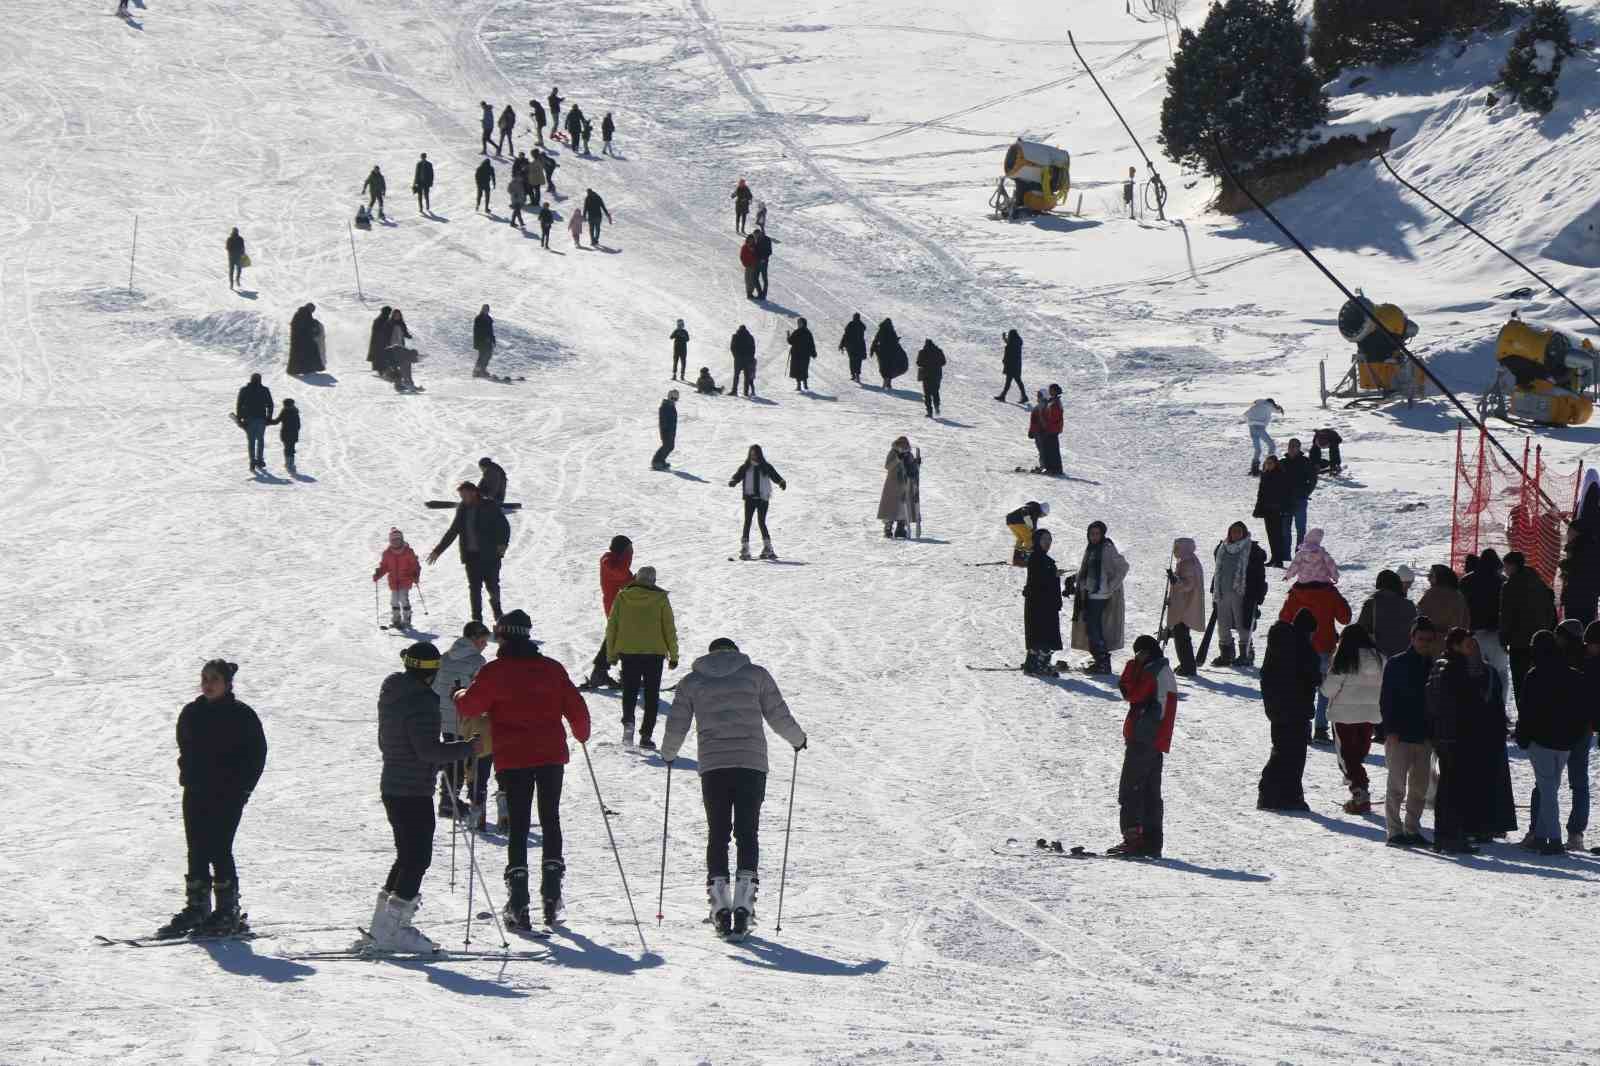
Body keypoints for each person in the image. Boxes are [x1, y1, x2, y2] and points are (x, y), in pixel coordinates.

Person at [660, 636, 806, 939]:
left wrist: (669, 753)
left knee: (718, 833)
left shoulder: (692, 682)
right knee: (747, 833)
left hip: (714, 767)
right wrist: (797, 739)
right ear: (736, 653)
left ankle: (720, 905)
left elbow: (677, 722)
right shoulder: (756, 675)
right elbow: (778, 714)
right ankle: (744, 905)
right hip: (751, 765)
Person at [456, 611, 589, 928]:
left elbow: (470, 707)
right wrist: (581, 733)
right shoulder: (551, 669)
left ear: (502, 636)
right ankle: (552, 895)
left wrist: (459, 693)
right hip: (550, 756)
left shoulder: (495, 671)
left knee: (517, 825)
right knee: (550, 818)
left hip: (512, 758)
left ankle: (518, 902)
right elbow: (576, 709)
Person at [371, 643, 477, 952]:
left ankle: (383, 927)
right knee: (417, 857)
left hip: (393, 783)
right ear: (432, 673)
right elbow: (428, 751)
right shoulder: (423, 701)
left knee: (407, 855)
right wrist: (466, 747)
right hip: (413, 788)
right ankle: (393, 930)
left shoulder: (393, 691)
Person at [155, 660, 267, 939]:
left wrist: (242, 789)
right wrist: (189, 775)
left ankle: (227, 911)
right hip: (195, 791)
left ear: (227, 683)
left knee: (219, 848)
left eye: (214, 679)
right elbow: (185, 748)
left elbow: (256, 755)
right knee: (196, 849)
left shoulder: (242, 715)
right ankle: (198, 907)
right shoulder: (192, 713)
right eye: (204, 678)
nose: (207, 684)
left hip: (228, 795)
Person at [1514, 631, 1585, 854]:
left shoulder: (1534, 675)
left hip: (1541, 742)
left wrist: (1523, 738)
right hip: (1564, 743)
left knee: (1547, 790)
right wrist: (1574, 738)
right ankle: (1543, 836)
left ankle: (1552, 839)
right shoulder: (1573, 675)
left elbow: (1525, 711)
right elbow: (1579, 713)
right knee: (1550, 788)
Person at [1109, 634, 1177, 857]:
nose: (1136, 658)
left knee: (1131, 788)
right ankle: (1151, 841)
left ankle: (1134, 839)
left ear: (1144, 652)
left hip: (1144, 737)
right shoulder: (1163, 669)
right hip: (1156, 739)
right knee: (1149, 791)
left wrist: (1131, 667)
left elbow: (1131, 693)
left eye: (1137, 654)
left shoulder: (1153, 671)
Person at [1280, 531, 1350, 744]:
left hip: (1300, 649)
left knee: (1302, 687)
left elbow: (1284, 618)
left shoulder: (1296, 593)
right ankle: (1320, 728)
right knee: (1323, 690)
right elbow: (1345, 618)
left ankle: (1301, 726)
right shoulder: (1329, 593)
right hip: (1325, 645)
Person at [1425, 629, 1488, 854]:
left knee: (1446, 786)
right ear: (1456, 646)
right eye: (1467, 643)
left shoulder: (1439, 665)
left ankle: (1443, 835)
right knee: (1456, 787)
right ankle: (1454, 836)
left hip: (1442, 733)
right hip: (1457, 734)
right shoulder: (1457, 667)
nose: (1471, 647)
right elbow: (1466, 702)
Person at [1380, 618, 1440, 845]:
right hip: (1399, 735)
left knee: (1419, 788)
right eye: (1420, 639)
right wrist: (1390, 729)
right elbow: (1386, 699)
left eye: (1428, 640)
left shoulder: (1433, 666)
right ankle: (1394, 831)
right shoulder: (1396, 664)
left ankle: (1412, 829)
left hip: (1424, 736)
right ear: (1412, 638)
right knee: (1396, 785)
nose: (1424, 643)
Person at [606, 567, 679, 750]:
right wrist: (673, 655)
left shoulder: (623, 597)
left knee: (629, 691)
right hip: (654, 654)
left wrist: (611, 654)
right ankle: (646, 735)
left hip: (629, 653)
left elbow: (612, 626)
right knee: (651, 695)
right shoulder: (660, 599)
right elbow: (669, 628)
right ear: (653, 580)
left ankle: (628, 723)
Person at [1258, 610, 1318, 811]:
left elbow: (1266, 676)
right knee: (1295, 755)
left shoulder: (1276, 646)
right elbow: (1314, 678)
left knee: (1280, 750)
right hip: (1297, 711)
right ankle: (1288, 796)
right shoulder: (1305, 650)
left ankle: (1270, 794)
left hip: (1276, 709)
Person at [1321, 623, 1384, 814]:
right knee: (1358, 753)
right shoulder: (1380, 659)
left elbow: (1328, 690)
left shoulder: (1343, 659)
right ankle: (1359, 787)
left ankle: (1359, 791)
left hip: (1344, 716)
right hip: (1369, 715)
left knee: (1347, 757)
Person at [427, 481, 510, 624]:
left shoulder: (489, 506)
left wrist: (502, 545)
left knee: (492, 586)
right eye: (461, 495)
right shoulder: (463, 509)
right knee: (474, 589)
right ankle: (476, 620)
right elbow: (453, 531)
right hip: (471, 557)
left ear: (474, 492)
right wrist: (437, 550)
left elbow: (504, 527)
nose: (462, 497)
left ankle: (498, 614)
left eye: (464, 494)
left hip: (490, 556)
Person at [434, 620, 492, 822]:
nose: (485, 645)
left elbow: (436, 683)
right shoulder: (478, 661)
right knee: (464, 757)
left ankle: (447, 798)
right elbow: (479, 690)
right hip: (464, 715)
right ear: (474, 639)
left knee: (451, 755)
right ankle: (452, 800)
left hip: (445, 715)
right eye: (483, 641)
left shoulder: (446, 656)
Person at [1500, 550, 1556, 711]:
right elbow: (1550, 609)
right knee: (1539, 679)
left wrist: (1504, 639)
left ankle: (1524, 718)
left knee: (1521, 681)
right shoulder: (1539, 582)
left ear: (1512, 566)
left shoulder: (1511, 586)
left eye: (1506, 566)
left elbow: (1506, 615)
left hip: (1519, 642)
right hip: (1541, 640)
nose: (1505, 570)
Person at [1071, 521, 1129, 674]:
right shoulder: (1091, 549)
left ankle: (1102, 660)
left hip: (1100, 594)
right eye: (1091, 534)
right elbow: (1087, 570)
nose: (1094, 537)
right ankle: (1100, 659)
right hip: (1090, 592)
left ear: (1102, 534)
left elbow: (1123, 567)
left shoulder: (1107, 548)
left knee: (1093, 626)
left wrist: (1110, 586)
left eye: (1097, 534)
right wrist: (1076, 579)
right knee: (1092, 626)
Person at [1211, 521, 1267, 667]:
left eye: (1238, 531)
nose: (1235, 534)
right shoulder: (1222, 548)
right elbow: (1218, 571)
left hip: (1242, 594)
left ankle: (1246, 653)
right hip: (1222, 592)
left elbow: (1259, 575)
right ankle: (1226, 654)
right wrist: (1214, 590)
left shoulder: (1252, 550)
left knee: (1243, 623)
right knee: (1222, 624)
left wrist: (1259, 594)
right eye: (1233, 531)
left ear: (1244, 533)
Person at [1461, 547, 1510, 704]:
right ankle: (1500, 706)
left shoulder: (1466, 581)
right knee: (1500, 671)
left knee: (1474, 670)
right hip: (1497, 634)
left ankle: (1476, 705)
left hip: (1475, 634)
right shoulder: (1503, 582)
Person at [587, 535, 634, 689]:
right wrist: (627, 555)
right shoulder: (608, 560)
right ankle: (606, 673)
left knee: (621, 637)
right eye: (629, 550)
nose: (631, 553)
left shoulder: (617, 562)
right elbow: (620, 574)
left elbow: (625, 580)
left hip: (623, 606)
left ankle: (603, 673)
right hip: (616, 606)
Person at [729, 445, 786, 561]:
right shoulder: (746, 467)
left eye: (755, 453)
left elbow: (774, 475)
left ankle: (768, 548)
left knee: (761, 522)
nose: (753, 455)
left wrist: (781, 482)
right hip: (750, 498)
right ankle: (745, 548)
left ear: (759, 454)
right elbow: (738, 475)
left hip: (762, 498)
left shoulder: (766, 466)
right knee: (747, 522)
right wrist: (734, 480)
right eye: (752, 453)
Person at [1022, 528, 1064, 676]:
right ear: (1037, 541)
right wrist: (1054, 575)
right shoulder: (1037, 558)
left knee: (1040, 635)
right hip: (1040, 605)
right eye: (1044, 539)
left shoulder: (1041, 558)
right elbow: (1038, 581)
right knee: (1043, 635)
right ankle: (1040, 665)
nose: (1048, 543)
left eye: (1049, 540)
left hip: (1042, 604)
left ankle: (1033, 664)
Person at [1559, 475, 1600, 624]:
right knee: (1588, 619)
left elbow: (1568, 553)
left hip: (1575, 584)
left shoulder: (1577, 525)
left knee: (1573, 622)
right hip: (1591, 585)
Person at [1357, 569, 1418, 659]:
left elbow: (1360, 631)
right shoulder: (1409, 605)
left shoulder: (1371, 605)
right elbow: (1415, 630)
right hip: (1405, 658)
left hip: (1379, 659)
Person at [1166, 539, 1204, 676]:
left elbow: (1188, 585)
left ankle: (1188, 666)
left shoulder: (1188, 563)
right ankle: (1186, 664)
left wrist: (1175, 580)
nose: (1175, 551)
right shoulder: (1187, 560)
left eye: (1177, 547)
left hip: (1184, 607)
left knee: (1181, 636)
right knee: (1181, 635)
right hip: (1183, 605)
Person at [373, 527, 422, 630]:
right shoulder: (387, 553)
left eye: (397, 540)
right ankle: (396, 620)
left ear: (401, 539)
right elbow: (384, 566)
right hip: (393, 582)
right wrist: (378, 574)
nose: (395, 542)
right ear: (390, 541)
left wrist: (415, 574)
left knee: (403, 599)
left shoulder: (408, 552)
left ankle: (406, 620)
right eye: (393, 540)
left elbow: (415, 565)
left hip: (406, 579)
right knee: (394, 600)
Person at [877, 436, 920, 539]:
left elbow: (912, 469)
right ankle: (888, 527)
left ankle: (900, 528)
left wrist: (916, 463)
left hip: (905, 484)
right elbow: (888, 466)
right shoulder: (893, 453)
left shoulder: (908, 454)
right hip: (893, 484)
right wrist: (897, 459)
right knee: (891, 506)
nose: (904, 447)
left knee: (903, 506)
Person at [1253, 455, 1291, 566]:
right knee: (1270, 534)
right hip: (1267, 509)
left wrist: (1283, 507)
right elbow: (1261, 494)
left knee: (1278, 535)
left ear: (1275, 464)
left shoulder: (1281, 475)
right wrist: (1258, 508)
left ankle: (1279, 559)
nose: (1268, 465)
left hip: (1277, 509)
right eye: (1267, 463)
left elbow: (1285, 493)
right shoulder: (1264, 475)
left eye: (1271, 463)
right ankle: (1274, 558)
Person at [1280, 438, 1317, 551]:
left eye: (1295, 446)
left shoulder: (1305, 462)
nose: (1292, 448)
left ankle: (1300, 553)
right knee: (1285, 529)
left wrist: (1305, 492)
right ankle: (1286, 555)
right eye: (1290, 446)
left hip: (1300, 500)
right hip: (1285, 501)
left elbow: (1313, 479)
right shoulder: (1282, 462)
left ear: (1299, 448)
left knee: (1300, 528)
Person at [234, 373, 273, 472]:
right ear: (260, 380)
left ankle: (253, 461)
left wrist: (239, 418)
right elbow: (270, 405)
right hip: (261, 418)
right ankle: (260, 460)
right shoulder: (264, 390)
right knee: (260, 440)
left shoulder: (244, 390)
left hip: (248, 419)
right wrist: (269, 417)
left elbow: (239, 404)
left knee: (251, 441)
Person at [1417, 564, 1470, 635]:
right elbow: (1466, 621)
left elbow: (1420, 618)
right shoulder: (1458, 595)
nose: (1428, 578)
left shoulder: (1432, 594)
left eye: (1431, 575)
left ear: (1441, 577)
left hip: (1434, 640)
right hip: (1457, 640)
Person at [1242, 397, 1283, 476]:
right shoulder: (1268, 406)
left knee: (1258, 450)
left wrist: (1251, 421)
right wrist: (1280, 408)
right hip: (1260, 427)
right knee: (1272, 446)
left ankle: (1254, 470)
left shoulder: (1255, 406)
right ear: (1271, 403)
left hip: (1251, 428)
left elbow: (1245, 415)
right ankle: (1268, 467)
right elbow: (1277, 410)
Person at [1005, 501, 1050, 566]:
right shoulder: (1035, 508)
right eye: (1043, 515)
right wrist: (1029, 523)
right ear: (1042, 511)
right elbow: (1025, 511)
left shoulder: (1035, 510)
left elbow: (1033, 527)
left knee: (1020, 538)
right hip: (1018, 521)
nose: (1042, 516)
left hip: (1010, 521)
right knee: (1028, 539)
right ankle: (1025, 559)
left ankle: (1016, 558)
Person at [287, 303, 325, 375]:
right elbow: (306, 324)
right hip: (302, 338)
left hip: (299, 338)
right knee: (309, 351)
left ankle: (303, 369)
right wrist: (314, 324)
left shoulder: (301, 313)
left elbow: (306, 323)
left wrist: (313, 323)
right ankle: (310, 368)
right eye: (312, 310)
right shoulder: (304, 313)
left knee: (300, 354)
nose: (312, 312)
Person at [870, 318, 906, 390]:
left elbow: (876, 340)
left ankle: (886, 382)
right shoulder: (892, 331)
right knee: (890, 367)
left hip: (883, 352)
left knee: (884, 367)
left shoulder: (882, 330)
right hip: (891, 353)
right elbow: (895, 341)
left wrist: (872, 349)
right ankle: (888, 383)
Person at [1036, 385, 1065, 475]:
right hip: (1052, 428)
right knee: (1050, 448)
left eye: (1051, 390)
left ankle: (1054, 468)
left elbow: (1053, 417)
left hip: (1052, 429)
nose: (1049, 391)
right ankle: (1052, 468)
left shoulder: (1055, 402)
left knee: (1051, 449)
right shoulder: (1053, 401)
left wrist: (1046, 425)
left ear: (1055, 391)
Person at [916, 339, 946, 417]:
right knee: (935, 391)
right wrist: (936, 365)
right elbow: (944, 362)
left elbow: (918, 363)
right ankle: (937, 407)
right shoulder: (939, 351)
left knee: (927, 394)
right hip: (937, 375)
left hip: (926, 375)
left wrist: (926, 364)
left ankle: (929, 412)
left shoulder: (922, 352)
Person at [269, 398, 300, 471]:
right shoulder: (295, 412)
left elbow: (277, 421)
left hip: (285, 433)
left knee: (287, 448)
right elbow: (298, 425)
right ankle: (291, 463)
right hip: (293, 433)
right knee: (291, 448)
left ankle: (288, 463)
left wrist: (268, 421)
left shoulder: (284, 411)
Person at [787, 319, 816, 392]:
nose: (798, 324)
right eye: (798, 323)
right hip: (801, 355)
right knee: (802, 369)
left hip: (800, 354)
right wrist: (813, 353)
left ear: (803, 324)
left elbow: (790, 341)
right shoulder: (806, 332)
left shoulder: (800, 332)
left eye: (800, 323)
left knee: (800, 369)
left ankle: (802, 385)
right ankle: (802, 385)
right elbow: (811, 344)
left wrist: (788, 336)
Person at [652, 390, 679, 471]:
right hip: (666, 429)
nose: (674, 400)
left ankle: (661, 460)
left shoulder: (671, 406)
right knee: (667, 445)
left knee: (670, 446)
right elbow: (663, 418)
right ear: (669, 397)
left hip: (671, 429)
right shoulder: (665, 406)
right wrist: (665, 428)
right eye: (672, 398)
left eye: (676, 399)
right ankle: (656, 462)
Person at [996, 329, 1025, 402]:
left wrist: (1004, 361)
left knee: (1009, 381)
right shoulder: (1017, 342)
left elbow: (1008, 354)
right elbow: (1009, 343)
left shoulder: (1012, 344)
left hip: (1011, 366)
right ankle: (1024, 396)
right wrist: (1004, 338)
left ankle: (1003, 396)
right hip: (1016, 366)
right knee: (1017, 381)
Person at [729, 325, 756, 398]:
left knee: (736, 376)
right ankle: (746, 392)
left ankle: (734, 391)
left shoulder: (735, 336)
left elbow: (732, 347)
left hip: (738, 359)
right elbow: (753, 348)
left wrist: (735, 356)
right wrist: (750, 357)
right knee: (747, 376)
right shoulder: (750, 337)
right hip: (747, 359)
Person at [839, 313, 867, 383]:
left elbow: (845, 335)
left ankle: (853, 374)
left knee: (852, 360)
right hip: (860, 346)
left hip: (851, 346)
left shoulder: (850, 325)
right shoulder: (861, 325)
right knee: (858, 360)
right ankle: (857, 374)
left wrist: (841, 344)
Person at [1025, 389, 1048, 472]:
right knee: (1041, 449)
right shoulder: (1041, 405)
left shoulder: (1043, 406)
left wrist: (1032, 431)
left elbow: (1038, 421)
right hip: (1038, 432)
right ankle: (1044, 465)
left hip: (1040, 432)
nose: (1037, 396)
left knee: (1042, 450)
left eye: (1039, 395)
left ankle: (1044, 466)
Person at [472, 305, 496, 377]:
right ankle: (477, 371)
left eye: (487, 309)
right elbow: (477, 330)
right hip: (481, 341)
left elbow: (491, 330)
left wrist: (493, 339)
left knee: (488, 355)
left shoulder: (489, 318)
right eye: (484, 309)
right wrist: (484, 338)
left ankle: (483, 369)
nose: (486, 310)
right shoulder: (479, 318)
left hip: (488, 341)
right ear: (482, 309)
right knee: (482, 355)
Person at [367, 306, 393, 371]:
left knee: (381, 356)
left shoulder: (381, 320)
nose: (388, 314)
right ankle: (381, 370)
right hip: (380, 342)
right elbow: (378, 331)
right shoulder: (380, 320)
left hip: (379, 342)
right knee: (380, 356)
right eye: (388, 312)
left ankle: (381, 369)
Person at [752, 227, 773, 300]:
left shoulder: (767, 239)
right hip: (757, 262)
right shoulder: (755, 240)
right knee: (754, 278)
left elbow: (769, 251)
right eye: (754, 236)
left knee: (764, 278)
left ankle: (764, 295)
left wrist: (763, 259)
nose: (755, 237)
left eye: (756, 235)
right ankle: (760, 293)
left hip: (764, 262)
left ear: (759, 233)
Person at [739, 234, 759, 300]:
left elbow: (757, 255)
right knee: (748, 279)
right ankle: (749, 293)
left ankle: (751, 292)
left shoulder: (755, 247)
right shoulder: (745, 247)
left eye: (752, 239)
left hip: (754, 265)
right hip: (748, 265)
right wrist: (745, 264)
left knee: (753, 280)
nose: (751, 241)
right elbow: (742, 256)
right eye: (750, 239)